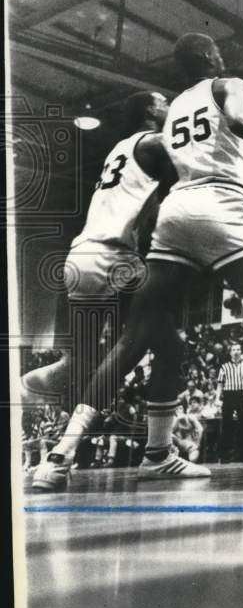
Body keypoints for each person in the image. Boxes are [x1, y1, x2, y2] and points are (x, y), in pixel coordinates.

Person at [40, 32, 243, 483]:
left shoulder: (174, 108)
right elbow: (239, 120)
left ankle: (63, 451)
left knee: (134, 339)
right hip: (221, 203)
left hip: (175, 214)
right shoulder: (228, 84)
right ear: (213, 57)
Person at [28, 92, 173, 491]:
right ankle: (151, 454)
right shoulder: (150, 142)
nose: (169, 106)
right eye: (163, 103)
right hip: (115, 256)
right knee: (155, 345)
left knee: (80, 364)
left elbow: (150, 210)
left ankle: (29, 395)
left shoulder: (120, 153)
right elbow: (190, 155)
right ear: (148, 112)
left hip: (81, 256)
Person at [217, 344, 243, 463]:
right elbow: (220, 384)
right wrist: (217, 398)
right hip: (228, 395)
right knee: (227, 425)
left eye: (238, 349)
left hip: (241, 394)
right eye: (233, 350)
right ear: (230, 352)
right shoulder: (224, 367)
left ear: (241, 352)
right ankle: (224, 456)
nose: (236, 352)